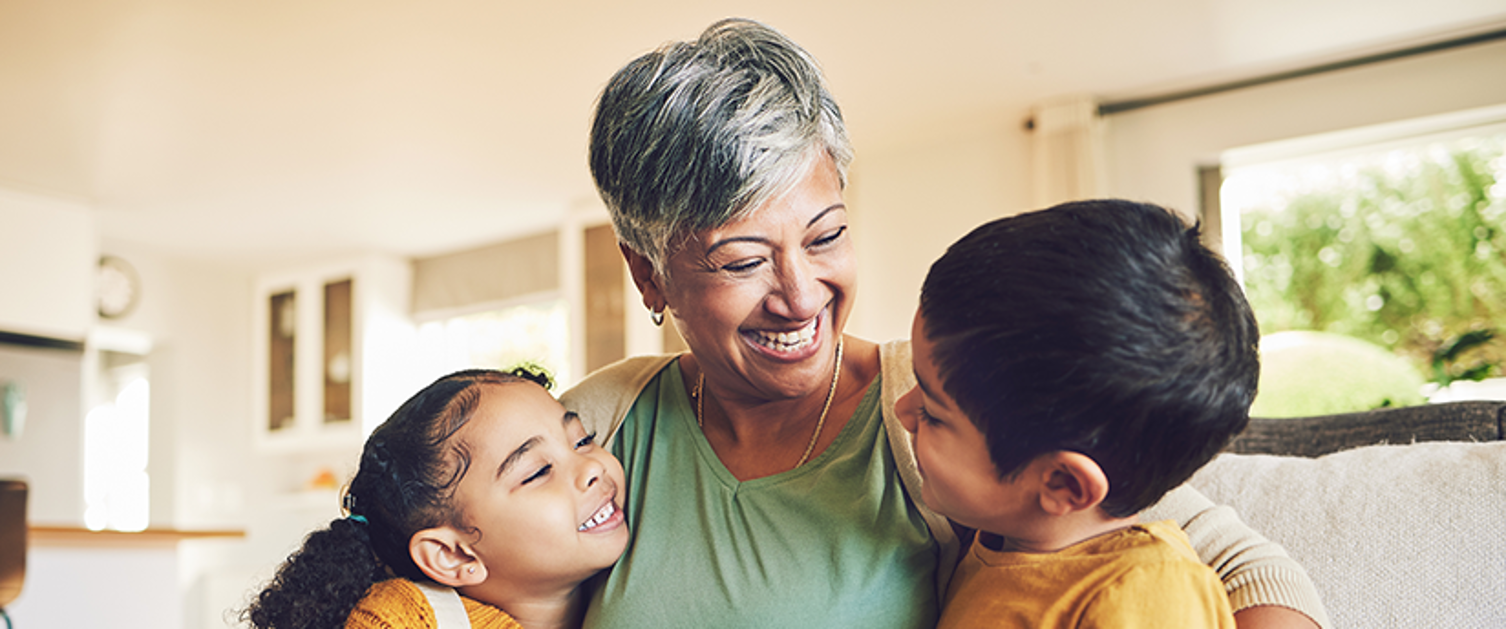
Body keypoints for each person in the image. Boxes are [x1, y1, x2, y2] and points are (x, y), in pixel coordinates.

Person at [564, 17, 1327, 629]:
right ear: (649, 273)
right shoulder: (595, 429)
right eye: (741, 260)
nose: (800, 295)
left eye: (825, 235)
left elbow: (1239, 566)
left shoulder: (946, 409)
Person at [897, 199, 1261, 628]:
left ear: (1063, 483)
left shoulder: (1147, 594)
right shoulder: (998, 541)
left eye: (934, 414)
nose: (902, 411)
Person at [242, 368, 629, 629]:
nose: (591, 466)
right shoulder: (401, 619)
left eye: (583, 440)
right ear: (454, 555)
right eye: (538, 472)